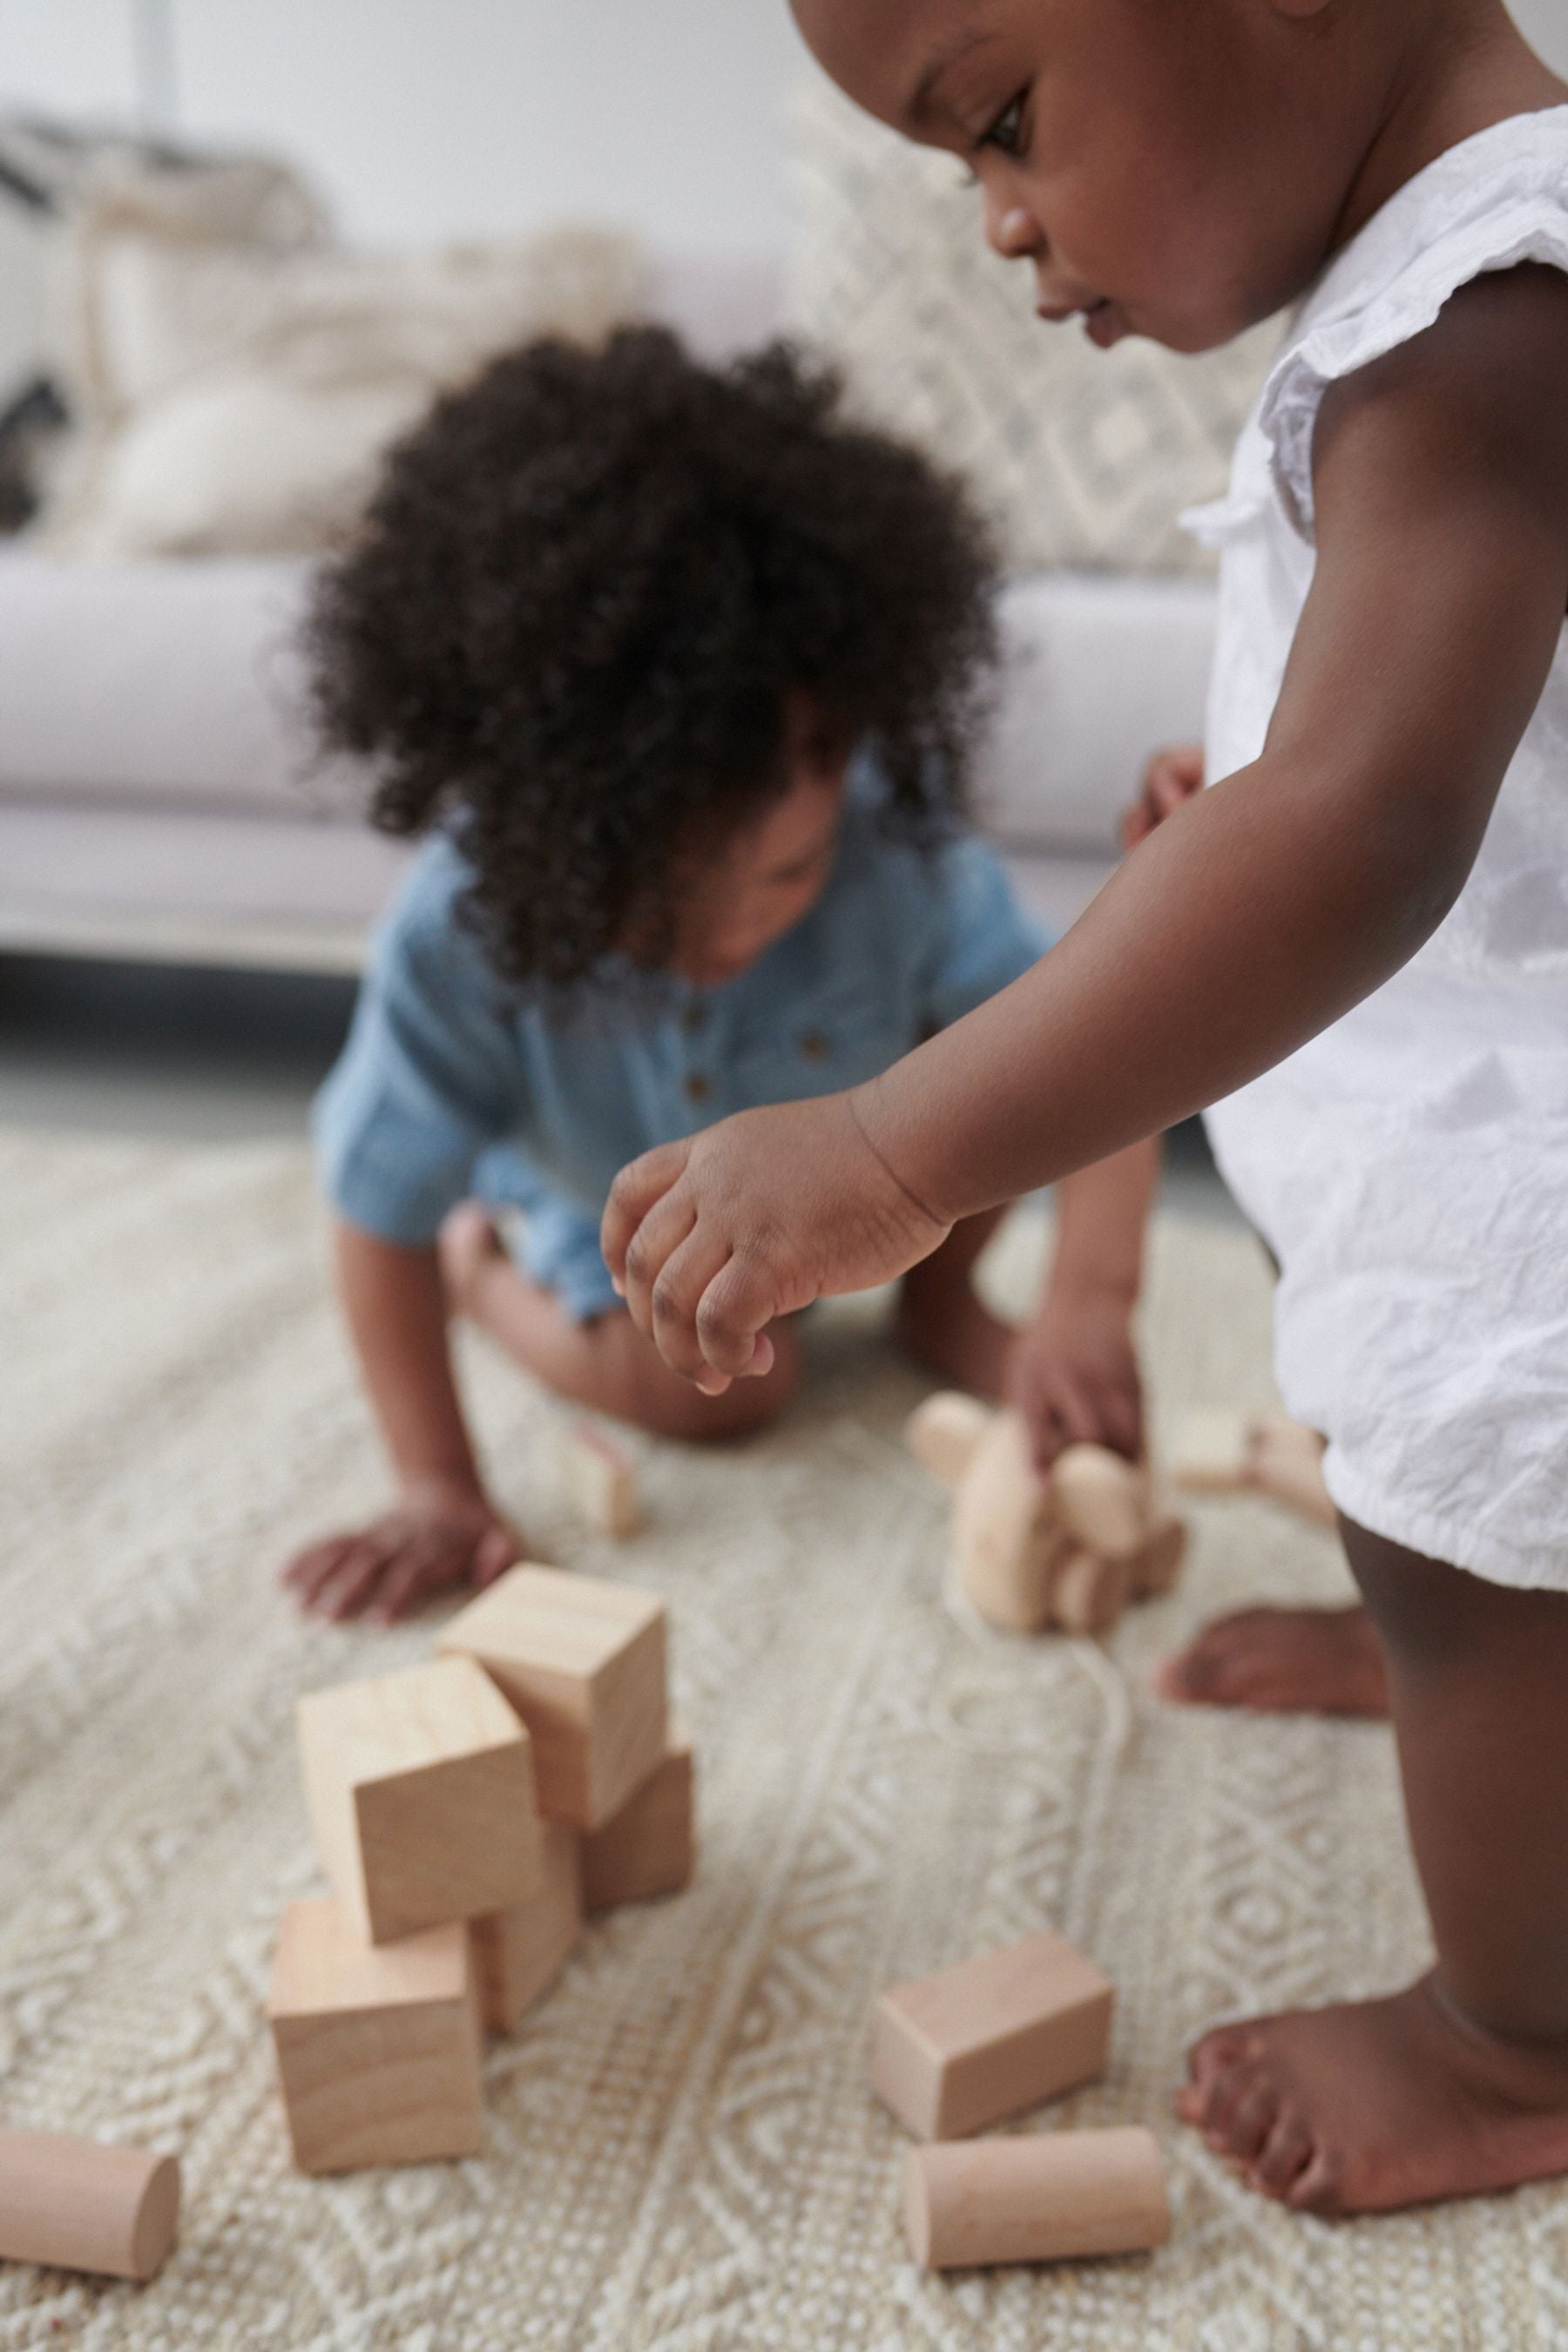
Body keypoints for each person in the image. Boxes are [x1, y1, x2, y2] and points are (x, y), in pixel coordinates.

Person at [601, 0, 1568, 2218]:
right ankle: (1504, 1679)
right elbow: (1419, 744)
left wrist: (891, 1151)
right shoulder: (1457, 276)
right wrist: (1258, 797)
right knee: (1451, 1496)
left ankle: (1523, 2033)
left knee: (1476, 1500)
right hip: (1495, 1046)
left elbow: (1365, 821)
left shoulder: (1484, 311)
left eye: (1002, 124)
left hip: (1539, 1137)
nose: (1005, 231)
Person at [284, 326, 1160, 1630]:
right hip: (614, 1213)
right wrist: (435, 1483)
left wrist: (1087, 1303)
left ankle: (939, 1301)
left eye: (789, 875)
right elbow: (375, 1210)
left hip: (871, 1173)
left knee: (1002, 1088)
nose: (732, 935)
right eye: (657, 903)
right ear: (547, 836)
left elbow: (1098, 1060)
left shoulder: (899, 852)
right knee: (733, 1396)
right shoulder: (460, 925)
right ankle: (499, 1275)